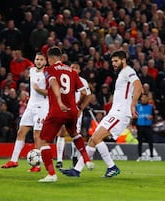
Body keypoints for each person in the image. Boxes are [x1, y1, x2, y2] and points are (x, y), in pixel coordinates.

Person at [60, 50, 143, 178]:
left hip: (121, 114)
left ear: (123, 60)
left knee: (97, 138)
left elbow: (138, 87)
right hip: (114, 113)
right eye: (112, 62)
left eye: (116, 61)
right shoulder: (122, 73)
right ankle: (76, 170)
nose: (114, 64)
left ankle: (112, 167)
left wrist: (133, 104)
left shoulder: (129, 71)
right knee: (93, 140)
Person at [37, 47, 94, 183]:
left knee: (43, 141)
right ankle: (86, 160)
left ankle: (51, 174)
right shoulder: (72, 72)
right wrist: (78, 106)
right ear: (61, 58)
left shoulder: (49, 70)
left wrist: (59, 101)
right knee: (74, 134)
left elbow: (54, 83)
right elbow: (85, 93)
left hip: (57, 110)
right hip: (72, 111)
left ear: (50, 58)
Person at [1, 52, 49, 172]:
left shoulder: (48, 74)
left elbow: (51, 92)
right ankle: (13, 160)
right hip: (30, 106)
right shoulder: (32, 70)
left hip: (42, 108)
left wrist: (39, 90)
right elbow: (22, 60)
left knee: (36, 135)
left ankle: (36, 165)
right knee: (20, 132)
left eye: (41, 59)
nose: (39, 61)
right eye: (37, 59)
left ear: (45, 62)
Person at [55, 63, 93, 168]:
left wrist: (81, 108)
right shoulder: (64, 78)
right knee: (61, 132)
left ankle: (74, 157)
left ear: (79, 70)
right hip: (64, 109)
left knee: (75, 134)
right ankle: (59, 160)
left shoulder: (83, 81)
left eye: (76, 68)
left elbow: (89, 96)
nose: (74, 69)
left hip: (75, 111)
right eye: (72, 67)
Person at [136, 93, 155, 161]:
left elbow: (154, 116)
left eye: (144, 97)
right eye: (142, 97)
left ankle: (151, 156)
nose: (143, 99)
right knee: (140, 142)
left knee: (150, 142)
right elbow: (135, 117)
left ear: (147, 98)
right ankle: (140, 156)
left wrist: (151, 117)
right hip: (140, 126)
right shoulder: (138, 106)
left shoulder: (151, 106)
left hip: (148, 127)